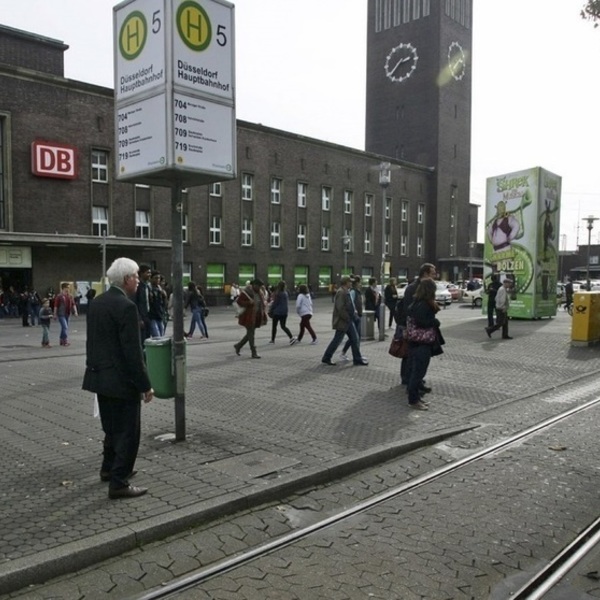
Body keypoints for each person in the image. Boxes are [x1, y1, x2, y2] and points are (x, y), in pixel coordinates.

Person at [82, 257, 154, 500]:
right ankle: (119, 482)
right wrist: (145, 385)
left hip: (100, 378)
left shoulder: (97, 303)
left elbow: (92, 342)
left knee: (111, 429)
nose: (137, 280)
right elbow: (133, 353)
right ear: (126, 280)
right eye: (135, 276)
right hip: (122, 381)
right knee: (128, 433)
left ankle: (107, 469)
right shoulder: (126, 307)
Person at [396, 263, 437, 390]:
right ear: (425, 274)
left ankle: (416, 381)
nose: (435, 276)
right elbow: (410, 310)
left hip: (420, 329)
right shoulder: (413, 288)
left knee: (417, 357)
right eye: (433, 273)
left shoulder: (424, 287)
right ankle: (408, 380)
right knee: (408, 355)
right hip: (414, 328)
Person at [405, 278, 441, 410]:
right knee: (418, 372)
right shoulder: (424, 305)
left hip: (414, 342)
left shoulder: (416, 302)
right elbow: (423, 322)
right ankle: (413, 400)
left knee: (416, 371)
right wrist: (435, 322)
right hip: (422, 342)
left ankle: (415, 398)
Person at [321, 276, 367, 366]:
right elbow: (340, 308)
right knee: (338, 340)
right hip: (343, 321)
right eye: (350, 282)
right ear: (346, 283)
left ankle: (357, 359)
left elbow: (349, 307)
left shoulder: (346, 292)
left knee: (354, 339)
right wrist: (348, 317)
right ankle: (326, 357)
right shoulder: (341, 292)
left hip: (347, 320)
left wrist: (353, 315)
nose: (351, 283)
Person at [234, 279, 268, 358]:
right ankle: (254, 352)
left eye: (260, 286)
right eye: (258, 286)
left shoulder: (260, 293)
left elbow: (261, 304)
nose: (259, 288)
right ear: (253, 285)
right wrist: (249, 303)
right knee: (251, 334)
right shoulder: (246, 292)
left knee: (250, 334)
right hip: (248, 316)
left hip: (256, 316)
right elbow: (239, 301)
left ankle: (238, 346)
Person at [339, 275, 365, 361]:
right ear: (357, 283)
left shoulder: (357, 291)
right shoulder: (353, 292)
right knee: (354, 337)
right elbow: (351, 304)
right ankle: (345, 352)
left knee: (357, 337)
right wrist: (355, 313)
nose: (360, 284)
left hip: (358, 316)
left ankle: (357, 355)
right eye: (359, 282)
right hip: (354, 317)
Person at [269, 280, 297, 345]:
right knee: (283, 326)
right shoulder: (286, 293)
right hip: (284, 312)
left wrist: (271, 310)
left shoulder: (278, 293)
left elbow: (275, 303)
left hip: (277, 312)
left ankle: (272, 340)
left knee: (274, 326)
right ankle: (291, 337)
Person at [134, 264, 152, 340]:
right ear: (141, 274)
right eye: (147, 272)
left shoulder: (147, 286)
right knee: (142, 338)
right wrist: (139, 318)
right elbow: (135, 302)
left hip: (148, 315)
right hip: (142, 316)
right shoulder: (138, 287)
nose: (149, 275)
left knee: (148, 337)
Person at [148, 270, 167, 338]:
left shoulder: (160, 289)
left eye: (158, 278)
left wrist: (164, 296)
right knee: (157, 336)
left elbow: (164, 303)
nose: (158, 280)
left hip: (160, 315)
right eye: (155, 278)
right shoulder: (148, 288)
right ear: (151, 278)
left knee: (161, 336)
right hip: (152, 316)